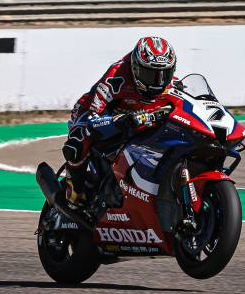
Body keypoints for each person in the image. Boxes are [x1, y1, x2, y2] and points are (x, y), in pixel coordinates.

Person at [62, 36, 177, 209]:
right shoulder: (116, 76)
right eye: (150, 74)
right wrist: (121, 120)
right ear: (135, 68)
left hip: (138, 119)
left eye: (164, 74)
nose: (158, 82)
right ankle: (74, 191)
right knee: (79, 140)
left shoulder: (173, 84)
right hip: (97, 113)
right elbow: (93, 118)